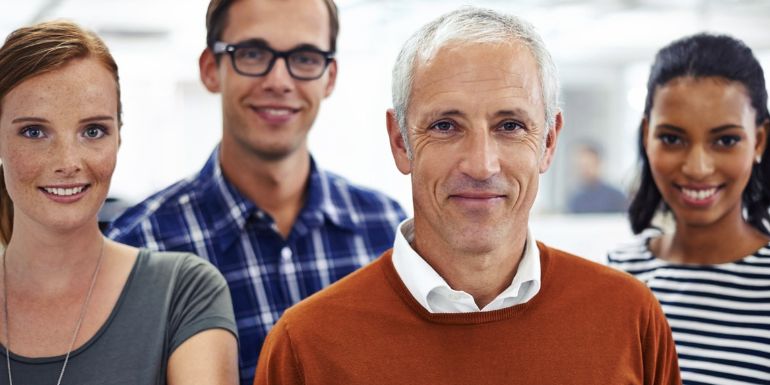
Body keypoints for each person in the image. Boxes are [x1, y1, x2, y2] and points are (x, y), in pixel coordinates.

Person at [255, 7, 681, 385]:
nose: (481, 165)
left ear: (549, 142)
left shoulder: (628, 317)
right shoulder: (307, 346)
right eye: (445, 126)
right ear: (401, 142)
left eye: (510, 125)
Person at [106, 0, 406, 382]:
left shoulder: (387, 230)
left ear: (329, 77)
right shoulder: (138, 248)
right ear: (210, 69)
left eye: (305, 57)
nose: (279, 81)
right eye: (252, 53)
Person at [0, 21, 238, 384]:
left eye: (93, 131)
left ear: (118, 138)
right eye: (34, 132)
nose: (68, 161)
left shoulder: (183, 291)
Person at [608, 33, 770, 384]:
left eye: (726, 140)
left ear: (758, 140)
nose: (697, 167)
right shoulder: (616, 276)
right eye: (672, 138)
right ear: (647, 136)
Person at [567, 141, 627, 213]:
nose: (585, 170)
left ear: (598, 163)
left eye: (588, 165)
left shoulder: (616, 196)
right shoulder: (575, 200)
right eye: (582, 166)